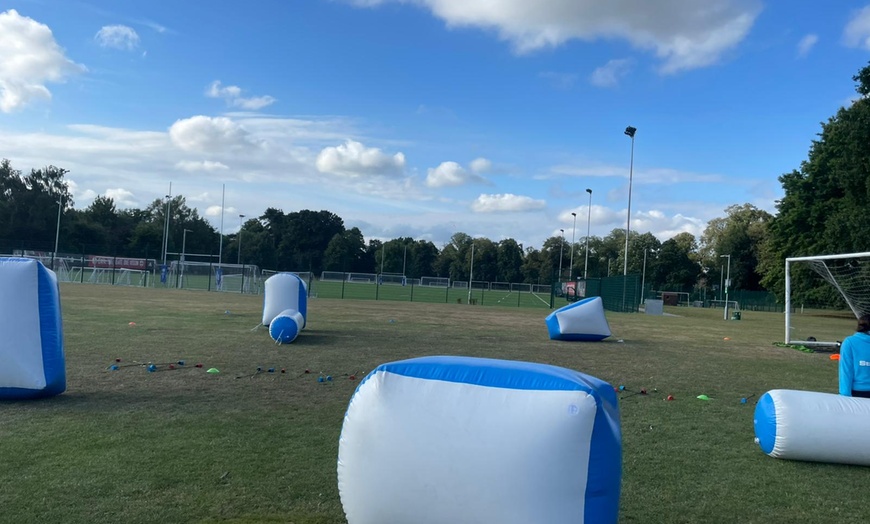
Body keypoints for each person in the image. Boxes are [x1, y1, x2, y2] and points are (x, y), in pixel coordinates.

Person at [839, 314, 870, 397]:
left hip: (857, 392)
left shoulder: (849, 342)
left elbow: (846, 371)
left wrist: (844, 395)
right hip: (858, 392)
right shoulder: (850, 342)